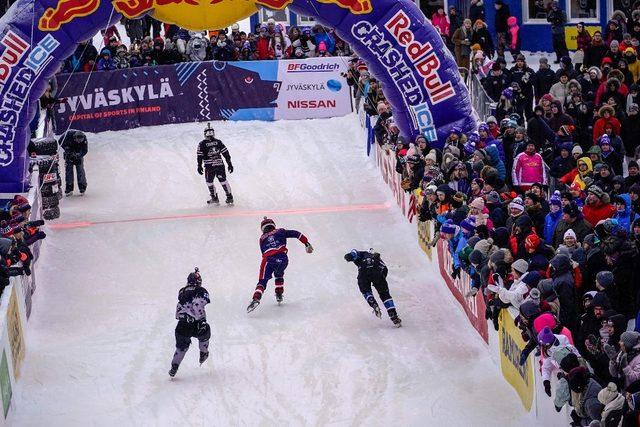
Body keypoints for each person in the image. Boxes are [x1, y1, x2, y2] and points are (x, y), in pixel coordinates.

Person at [247, 217, 314, 313]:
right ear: (273, 226)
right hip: (282, 259)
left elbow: (263, 252)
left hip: (268, 259)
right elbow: (296, 233)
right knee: (279, 272)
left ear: (263, 229)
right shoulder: (281, 231)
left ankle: (256, 298)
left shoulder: (261, 238)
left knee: (262, 281)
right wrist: (306, 243)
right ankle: (279, 293)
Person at [169, 268, 211, 378]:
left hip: (182, 323)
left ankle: (174, 366)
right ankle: (203, 352)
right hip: (195, 323)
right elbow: (198, 304)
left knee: (181, 347)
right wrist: (201, 320)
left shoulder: (182, 291)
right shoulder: (201, 291)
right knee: (205, 332)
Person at [344, 249, 402, 327]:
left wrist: (348, 257)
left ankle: (372, 302)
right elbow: (385, 269)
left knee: (365, 290)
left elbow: (354, 253)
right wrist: (381, 280)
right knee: (385, 295)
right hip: (377, 274)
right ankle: (393, 316)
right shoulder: (378, 260)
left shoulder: (363, 254)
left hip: (363, 273)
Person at [196, 123, 234, 205]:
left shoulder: (202, 144)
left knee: (209, 182)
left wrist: (199, 166)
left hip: (209, 167)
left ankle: (214, 198)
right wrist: (229, 164)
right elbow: (226, 153)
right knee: (223, 180)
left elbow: (199, 156)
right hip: (220, 165)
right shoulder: (218, 142)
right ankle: (229, 197)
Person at [60, 130, 88, 196]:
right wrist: (67, 149)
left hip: (78, 154)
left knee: (80, 170)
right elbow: (60, 141)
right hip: (69, 153)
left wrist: (79, 155)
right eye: (78, 141)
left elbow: (85, 150)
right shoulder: (67, 134)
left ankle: (82, 187)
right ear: (74, 138)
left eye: (80, 141)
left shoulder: (84, 139)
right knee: (69, 171)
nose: (79, 142)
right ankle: (69, 188)